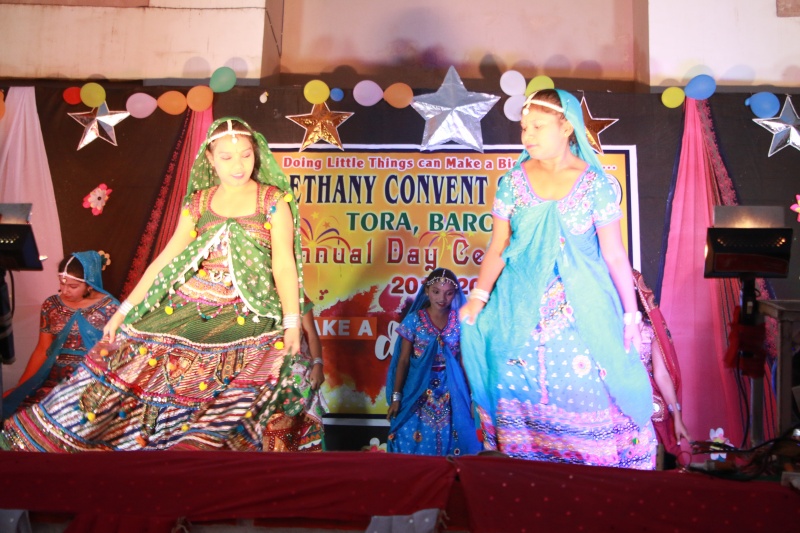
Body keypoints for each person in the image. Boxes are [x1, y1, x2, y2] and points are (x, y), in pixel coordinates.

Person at [1, 117, 323, 452]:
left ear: (256, 153)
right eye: (226, 157)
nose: (238, 165)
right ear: (210, 159)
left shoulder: (273, 201)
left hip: (252, 313)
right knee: (130, 364)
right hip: (189, 310)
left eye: (245, 155)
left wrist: (290, 322)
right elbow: (163, 262)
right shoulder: (199, 203)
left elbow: (284, 265)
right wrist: (123, 312)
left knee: (273, 381)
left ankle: (230, 466)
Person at [459, 89, 656, 469]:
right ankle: (525, 485)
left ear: (567, 127)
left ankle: (589, 487)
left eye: (538, 126)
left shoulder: (595, 184)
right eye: (524, 128)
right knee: (507, 379)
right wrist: (478, 298)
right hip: (517, 308)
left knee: (588, 387)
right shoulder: (512, 182)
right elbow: (499, 245)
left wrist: (631, 316)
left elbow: (614, 255)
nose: (527, 135)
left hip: (583, 314)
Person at [2, 251, 119, 415]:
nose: (65, 291)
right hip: (52, 379)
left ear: (89, 284)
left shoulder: (111, 308)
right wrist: (21, 385)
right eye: (62, 284)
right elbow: (42, 349)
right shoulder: (51, 305)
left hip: (90, 381)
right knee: (15, 406)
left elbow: (116, 355)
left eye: (73, 286)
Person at [385, 268, 481, 456]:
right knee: (408, 438)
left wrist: (472, 397)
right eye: (436, 291)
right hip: (417, 389)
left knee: (459, 438)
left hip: (452, 391)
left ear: (455, 294)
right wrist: (396, 398)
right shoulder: (414, 320)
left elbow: (464, 362)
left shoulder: (459, 321)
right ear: (427, 290)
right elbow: (403, 361)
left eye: (448, 293)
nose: (442, 298)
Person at [633, 270, 691, 466]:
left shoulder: (650, 331)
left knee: (657, 414)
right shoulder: (606, 326)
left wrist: (677, 416)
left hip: (645, 395)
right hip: (615, 392)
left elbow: (662, 375)